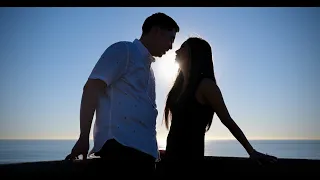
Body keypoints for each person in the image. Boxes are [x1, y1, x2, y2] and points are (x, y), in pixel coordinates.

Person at [65, 12, 179, 176]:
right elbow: (91, 89)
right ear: (156, 31)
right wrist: (84, 138)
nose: (170, 46)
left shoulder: (149, 70)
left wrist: (151, 148)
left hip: (141, 157)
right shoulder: (124, 50)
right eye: (170, 38)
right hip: (121, 153)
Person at [160, 37, 277, 174]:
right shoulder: (178, 87)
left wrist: (251, 151)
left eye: (183, 47)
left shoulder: (206, 86)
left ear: (195, 53)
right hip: (170, 159)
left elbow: (227, 120)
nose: (177, 51)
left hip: (189, 162)